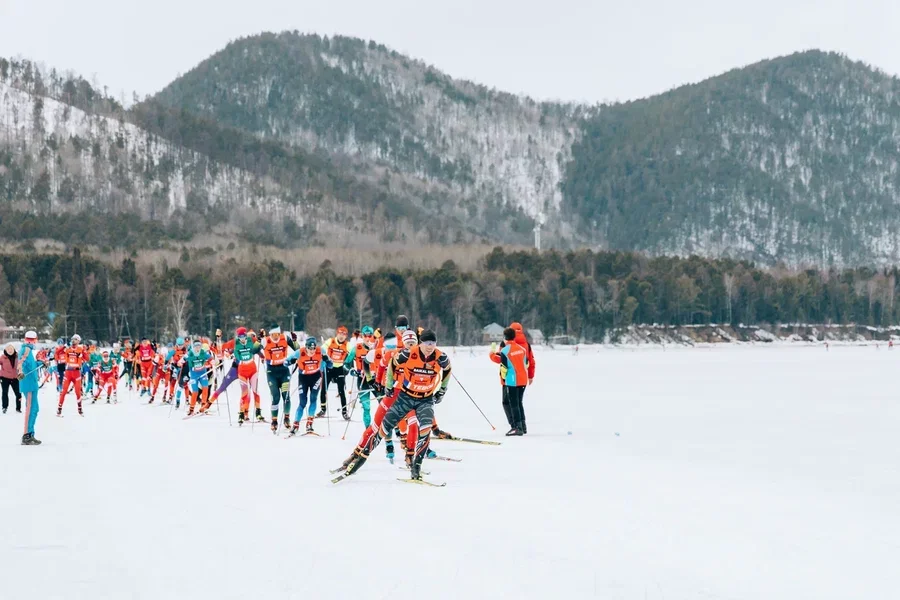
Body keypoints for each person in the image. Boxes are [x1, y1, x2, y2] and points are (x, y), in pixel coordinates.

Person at [342, 329, 451, 481]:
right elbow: (371, 364)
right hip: (395, 396)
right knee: (376, 427)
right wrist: (375, 382)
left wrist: (442, 390)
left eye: (412, 342)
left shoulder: (435, 356)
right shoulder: (392, 354)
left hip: (412, 396)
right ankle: (355, 455)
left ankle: (411, 459)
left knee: (414, 425)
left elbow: (446, 368)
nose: (410, 345)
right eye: (407, 342)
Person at [491, 327, 529, 436]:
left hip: (512, 380)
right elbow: (526, 364)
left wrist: (504, 379)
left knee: (513, 404)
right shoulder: (522, 349)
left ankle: (517, 427)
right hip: (523, 379)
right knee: (519, 402)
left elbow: (504, 367)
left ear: (505, 338)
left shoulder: (504, 350)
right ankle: (522, 425)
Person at [287, 336, 323, 435]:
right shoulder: (300, 352)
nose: (312, 351)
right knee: (303, 402)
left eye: (314, 348)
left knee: (313, 398)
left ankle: (310, 423)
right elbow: (287, 361)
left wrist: (328, 361)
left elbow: (330, 362)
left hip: (316, 377)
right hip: (303, 378)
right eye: (310, 348)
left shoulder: (320, 351)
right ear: (306, 347)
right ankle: (295, 424)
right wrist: (290, 361)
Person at [319, 326, 356, 420]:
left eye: (343, 335)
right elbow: (321, 350)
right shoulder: (330, 341)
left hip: (339, 368)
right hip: (329, 368)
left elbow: (354, 352)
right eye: (340, 334)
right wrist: (324, 357)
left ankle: (344, 412)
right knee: (323, 389)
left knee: (341, 391)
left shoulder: (347, 345)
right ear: (337, 334)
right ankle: (323, 409)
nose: (341, 336)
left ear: (346, 336)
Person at [263, 326, 296, 428]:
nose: (276, 337)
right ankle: (274, 421)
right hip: (271, 372)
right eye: (273, 335)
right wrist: (258, 341)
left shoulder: (285, 338)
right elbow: (254, 350)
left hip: (284, 372)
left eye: (277, 334)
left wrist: (294, 341)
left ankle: (286, 418)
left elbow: (298, 349)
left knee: (286, 396)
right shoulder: (265, 341)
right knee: (276, 397)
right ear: (270, 334)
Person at [18, 331, 42, 444]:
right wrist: (20, 372)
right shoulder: (26, 350)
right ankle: (27, 435)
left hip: (32, 384)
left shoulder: (29, 350)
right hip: (28, 385)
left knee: (35, 409)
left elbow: (29, 365)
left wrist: (40, 363)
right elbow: (21, 363)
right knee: (30, 409)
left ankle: (30, 433)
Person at [58, 334, 88, 416]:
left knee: (78, 392)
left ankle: (80, 409)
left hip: (77, 374)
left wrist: (84, 351)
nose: (73, 341)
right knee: (64, 391)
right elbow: (57, 353)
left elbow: (87, 359)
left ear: (79, 341)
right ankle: (59, 409)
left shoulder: (80, 349)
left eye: (75, 339)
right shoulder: (68, 349)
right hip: (68, 373)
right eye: (73, 339)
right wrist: (63, 347)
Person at [1, 343, 22, 413]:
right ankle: (4, 407)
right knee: (5, 393)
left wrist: (21, 376)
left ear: (14, 349)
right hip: (4, 378)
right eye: (8, 349)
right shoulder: (2, 357)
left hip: (15, 378)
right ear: (5, 350)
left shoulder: (18, 357)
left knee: (18, 393)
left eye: (11, 349)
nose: (10, 350)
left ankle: (18, 408)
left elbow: (22, 367)